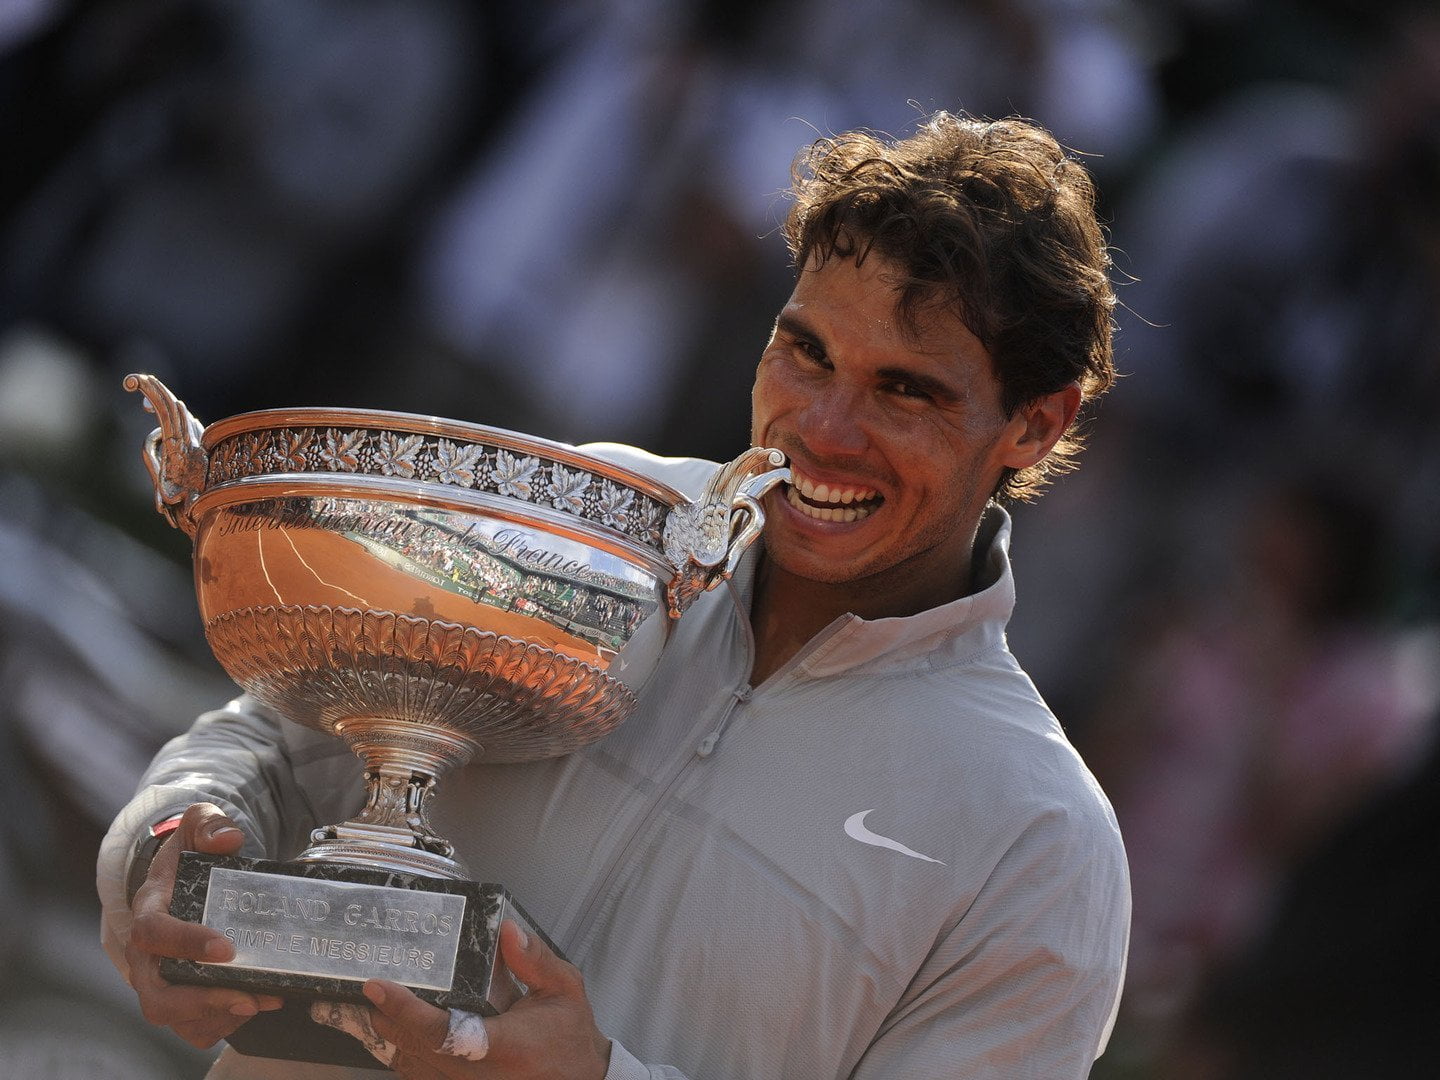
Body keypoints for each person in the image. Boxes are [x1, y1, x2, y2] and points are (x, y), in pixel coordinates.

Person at [97, 110, 1130, 1079]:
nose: (823, 428)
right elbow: (269, 747)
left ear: (1034, 425)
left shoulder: (1037, 846)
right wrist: (168, 847)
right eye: (805, 351)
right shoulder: (586, 526)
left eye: (905, 390)